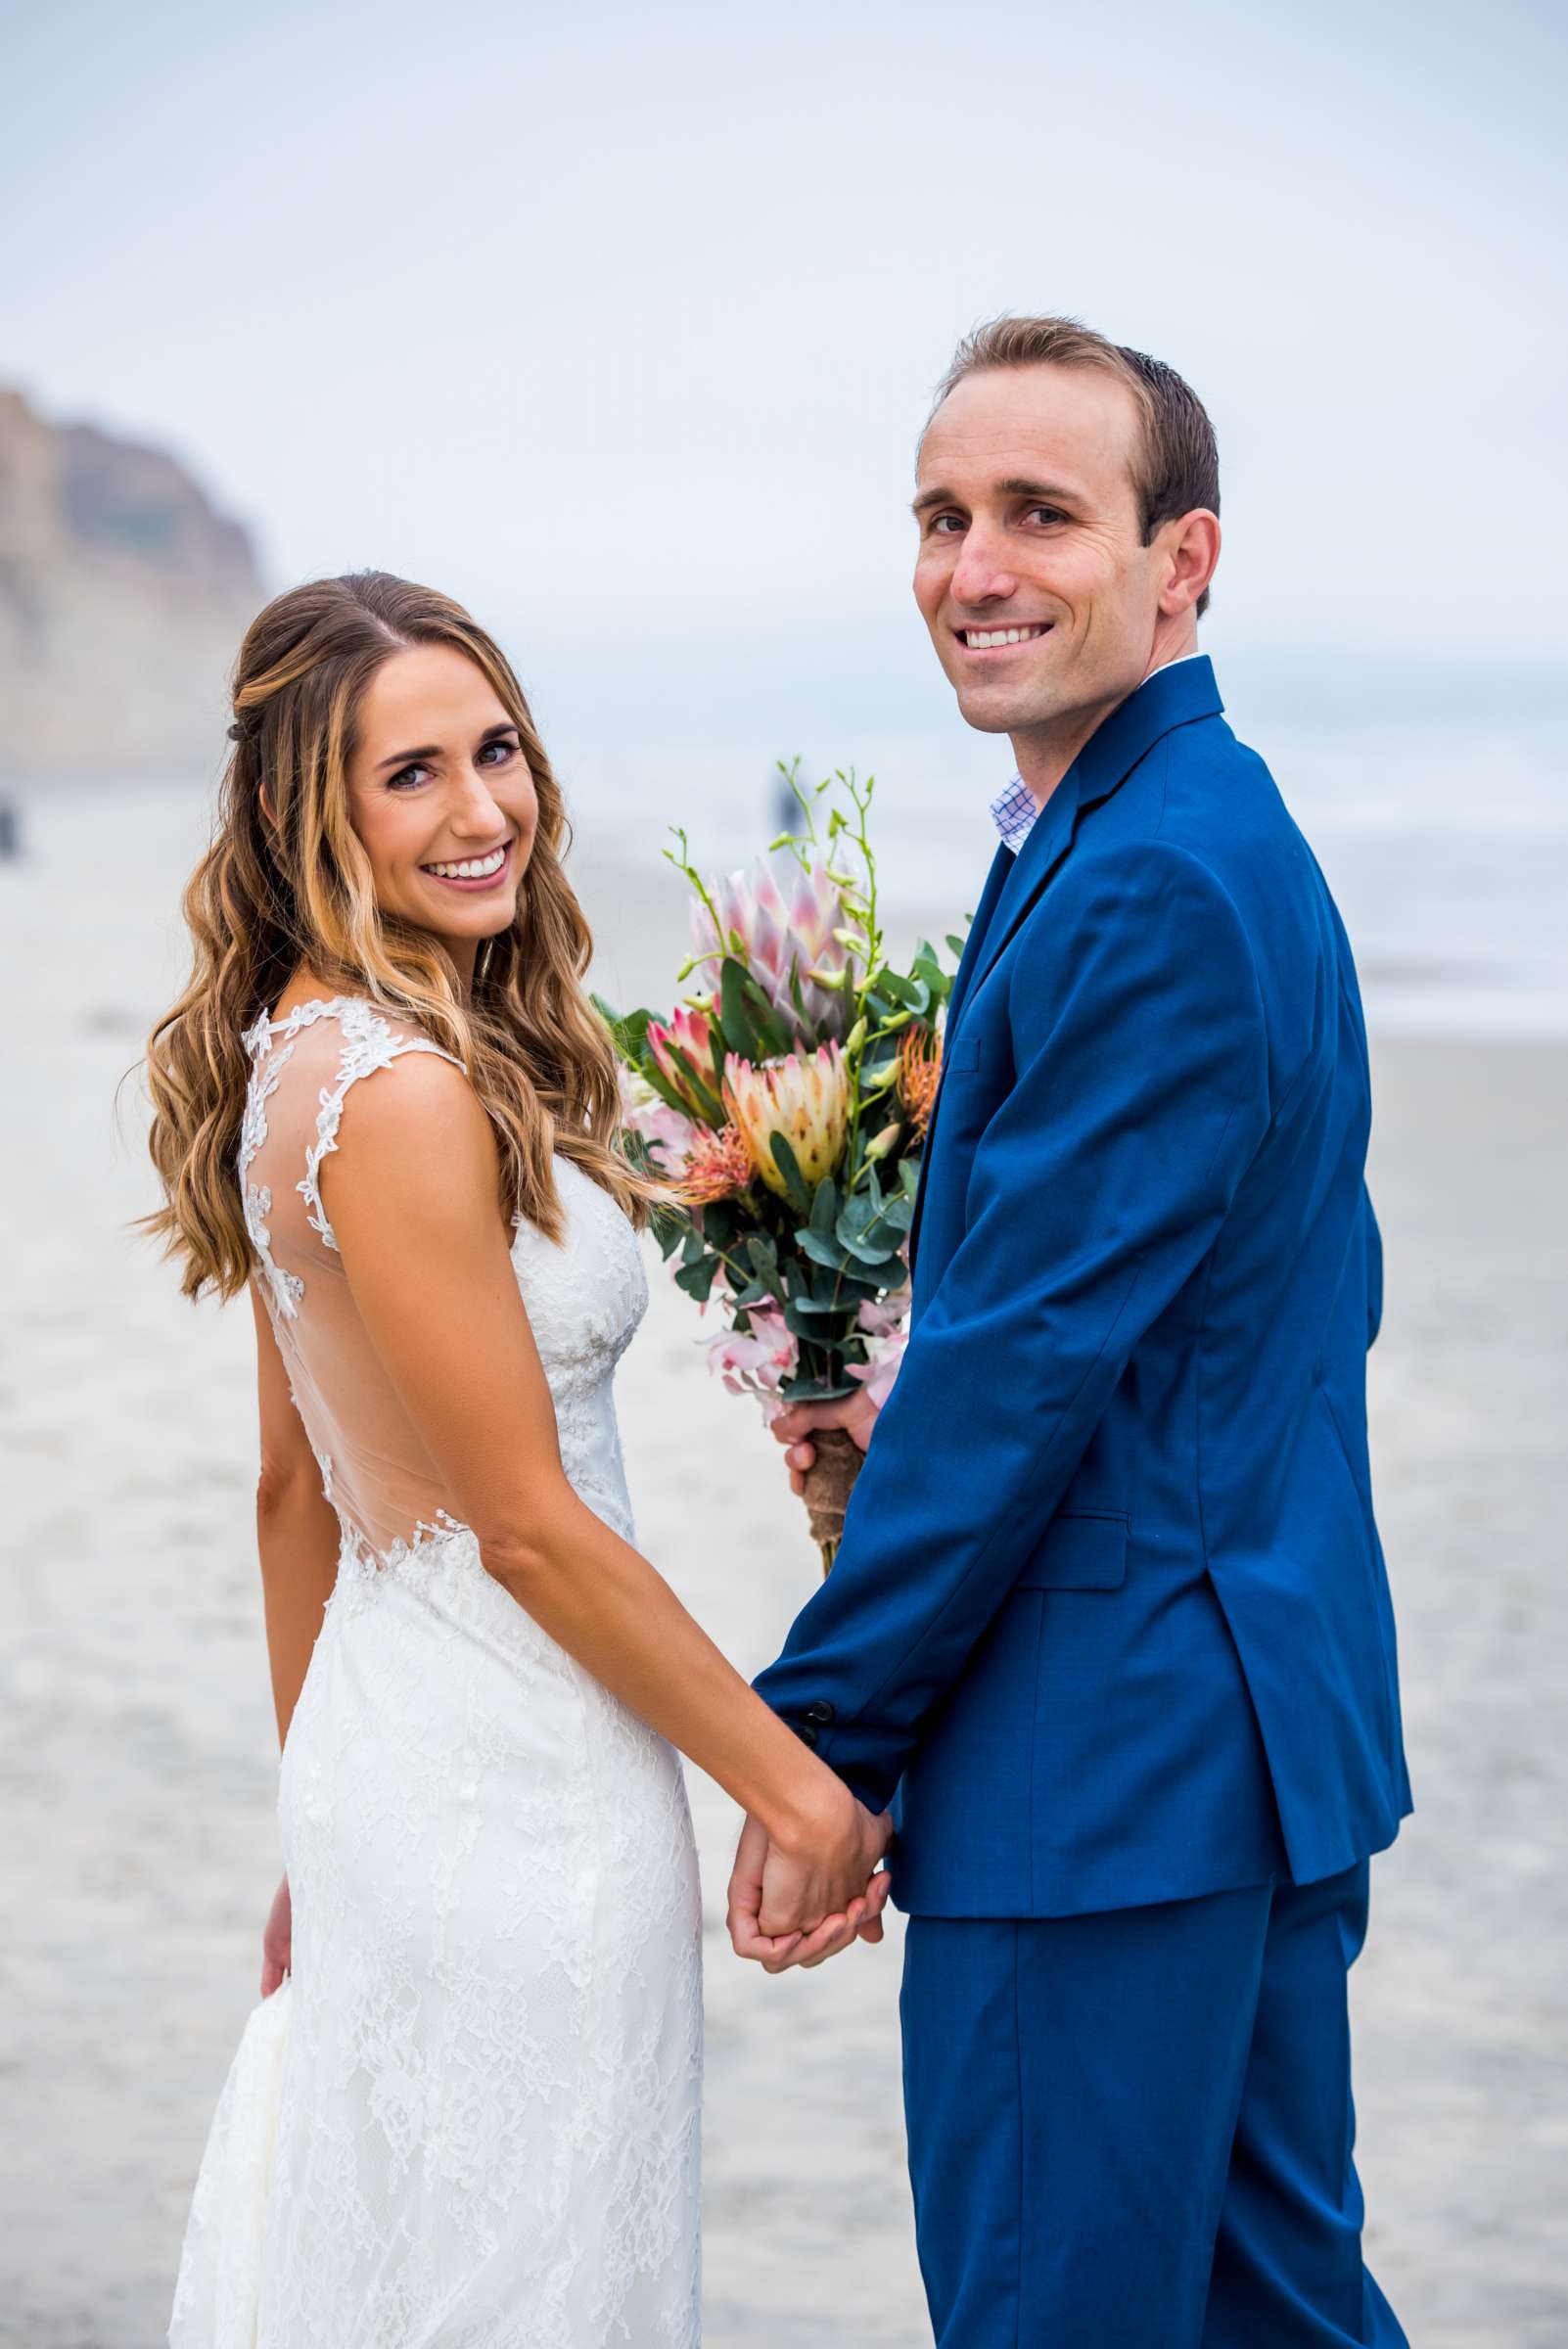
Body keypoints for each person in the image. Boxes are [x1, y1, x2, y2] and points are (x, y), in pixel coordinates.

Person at [732, 318, 1410, 2346]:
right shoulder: (1158, 830)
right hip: (1240, 1731)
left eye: (1043, 513)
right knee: (1273, 2312)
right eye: (944, 518)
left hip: (1107, 1776)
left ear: (1182, 561)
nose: (978, 567)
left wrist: (821, 1733)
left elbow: (1024, 1370)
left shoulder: (1159, 885)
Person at [146, 572, 890, 2347]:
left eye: (495, 751)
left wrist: (315, 1816)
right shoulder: (393, 1093)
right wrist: (790, 1787)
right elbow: (530, 1529)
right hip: (518, 1783)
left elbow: (294, 1491)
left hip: (401, 1764)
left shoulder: (306, 1058)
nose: (481, 810)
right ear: (302, 811)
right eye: (409, 775)